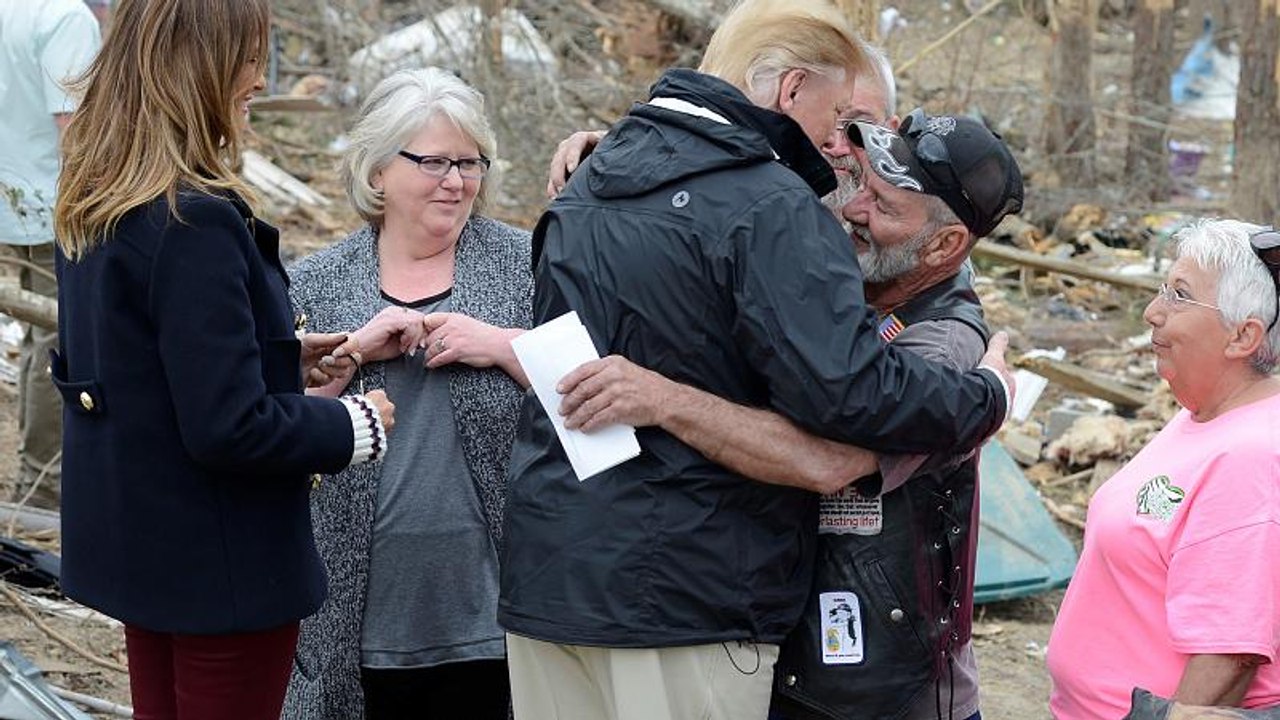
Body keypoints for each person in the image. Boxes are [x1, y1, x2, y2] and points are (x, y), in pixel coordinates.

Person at [498, 0, 1015, 717]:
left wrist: (662, 397)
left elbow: (830, 453)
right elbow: (847, 393)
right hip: (683, 597)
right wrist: (989, 398)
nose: (841, 156)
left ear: (945, 245)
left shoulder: (608, 181)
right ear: (793, 89)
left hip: (568, 582)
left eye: (863, 138)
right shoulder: (769, 206)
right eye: (841, 121)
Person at [51, 1, 394, 718]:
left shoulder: (98, 200)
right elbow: (228, 428)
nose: (260, 80)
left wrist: (277, 361)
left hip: (147, 556)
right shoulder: (192, 220)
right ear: (198, 67)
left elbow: (140, 374)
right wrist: (355, 424)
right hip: (222, 571)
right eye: (249, 57)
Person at [283, 67, 532, 720]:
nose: (456, 181)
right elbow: (276, 439)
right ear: (377, 171)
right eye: (434, 162)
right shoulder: (313, 284)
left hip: (494, 619)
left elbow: (590, 401)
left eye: (469, 163)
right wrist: (348, 358)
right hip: (354, 620)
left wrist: (503, 346)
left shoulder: (526, 267)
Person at [1047, 220, 1280, 717]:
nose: (1153, 312)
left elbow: (1229, 656)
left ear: (1242, 336)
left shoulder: (1252, 455)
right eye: (1163, 289)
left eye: (1179, 296)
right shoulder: (1202, 414)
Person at [0, 0, 104, 509]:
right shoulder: (67, 18)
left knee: (35, 331)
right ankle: (42, 485)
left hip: (12, 197)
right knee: (57, 337)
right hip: (51, 207)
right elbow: (75, 128)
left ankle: (35, 473)